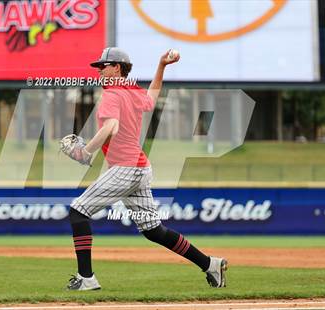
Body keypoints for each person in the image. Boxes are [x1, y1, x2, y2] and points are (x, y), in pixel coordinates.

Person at [66, 47, 228, 291]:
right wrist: (161, 67)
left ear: (117, 68)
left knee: (78, 211)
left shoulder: (112, 93)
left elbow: (111, 126)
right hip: (140, 169)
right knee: (153, 230)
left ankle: (86, 278)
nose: (99, 70)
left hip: (126, 169)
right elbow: (151, 100)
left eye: (104, 65)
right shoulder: (131, 90)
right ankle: (210, 264)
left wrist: (84, 152)